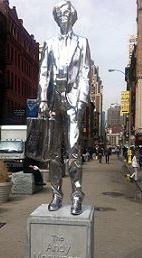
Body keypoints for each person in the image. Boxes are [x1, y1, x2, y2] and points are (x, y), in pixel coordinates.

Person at [37, 0, 91, 215]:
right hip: (53, 102)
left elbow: (85, 73)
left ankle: (77, 195)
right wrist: (42, 99)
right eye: (60, 13)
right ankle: (56, 194)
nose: (64, 16)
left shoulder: (82, 42)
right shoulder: (49, 44)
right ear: (56, 17)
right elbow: (43, 73)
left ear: (73, 17)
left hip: (73, 100)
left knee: (73, 150)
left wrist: (81, 102)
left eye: (68, 13)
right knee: (53, 154)